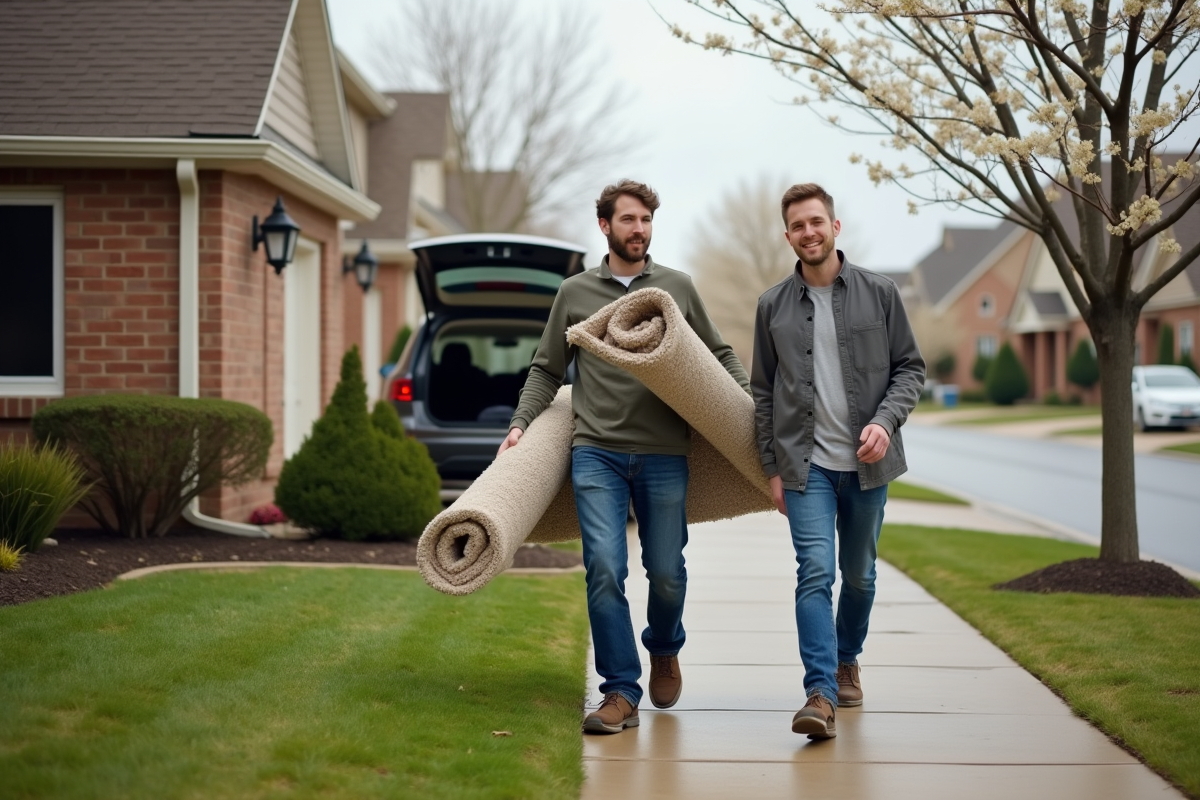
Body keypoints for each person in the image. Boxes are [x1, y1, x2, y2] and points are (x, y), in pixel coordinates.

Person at [500, 179, 749, 734]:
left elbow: (719, 354)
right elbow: (547, 368)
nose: (639, 229)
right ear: (605, 226)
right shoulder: (575, 293)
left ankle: (664, 646)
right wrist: (521, 424)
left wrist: (748, 411)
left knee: (665, 572)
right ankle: (619, 691)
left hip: (664, 454)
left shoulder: (676, 289)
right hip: (597, 454)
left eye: (646, 220)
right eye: (629, 220)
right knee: (605, 570)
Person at [751, 183, 924, 739]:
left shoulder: (880, 293)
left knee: (861, 576)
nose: (809, 232)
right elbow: (761, 393)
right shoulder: (771, 306)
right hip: (806, 468)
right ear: (788, 236)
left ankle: (848, 657)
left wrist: (885, 421)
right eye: (798, 226)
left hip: (869, 465)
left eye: (816, 222)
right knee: (815, 575)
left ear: (835, 225)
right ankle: (820, 692)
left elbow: (910, 369)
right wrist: (772, 469)